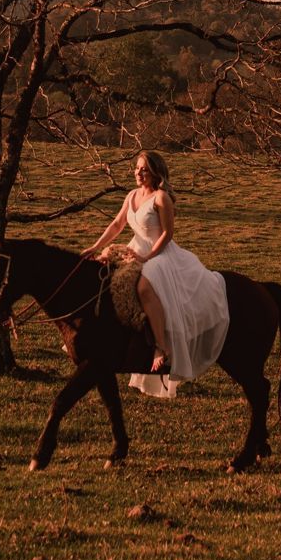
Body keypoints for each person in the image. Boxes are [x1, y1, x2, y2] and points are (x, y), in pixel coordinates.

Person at [86, 150, 230, 398]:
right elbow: (117, 225)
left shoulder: (162, 198)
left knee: (143, 288)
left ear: (155, 173)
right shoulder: (131, 195)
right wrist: (96, 246)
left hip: (159, 255)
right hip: (134, 249)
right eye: (136, 168)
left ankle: (160, 347)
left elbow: (167, 235)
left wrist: (146, 257)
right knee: (103, 277)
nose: (138, 173)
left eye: (144, 169)